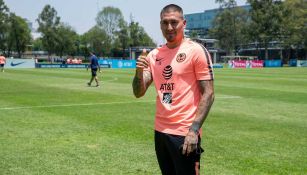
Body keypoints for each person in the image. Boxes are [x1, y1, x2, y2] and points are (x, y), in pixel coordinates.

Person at [132, 4, 214, 175]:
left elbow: (209, 93)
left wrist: (193, 131)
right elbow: (138, 92)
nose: (169, 27)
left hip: (184, 132)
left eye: (174, 22)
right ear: (160, 24)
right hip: (160, 131)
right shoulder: (154, 55)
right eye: (165, 23)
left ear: (184, 23)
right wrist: (139, 72)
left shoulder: (196, 51)